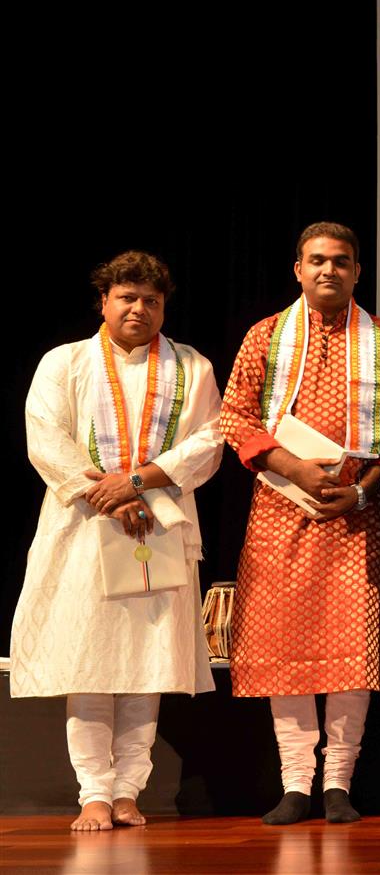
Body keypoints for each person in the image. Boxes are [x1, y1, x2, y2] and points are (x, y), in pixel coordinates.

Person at [11, 251, 222, 831]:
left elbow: (208, 444)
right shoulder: (66, 362)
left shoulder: (191, 366)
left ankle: (129, 790)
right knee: (91, 663)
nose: (139, 308)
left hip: (158, 526)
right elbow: (46, 439)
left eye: (151, 300)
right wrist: (112, 495)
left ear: (163, 306)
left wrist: (139, 483)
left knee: (146, 666)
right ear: (103, 301)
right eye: (127, 297)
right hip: (86, 526)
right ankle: (94, 794)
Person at [220, 222, 380, 825]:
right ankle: (296, 783)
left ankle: (338, 784)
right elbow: (235, 417)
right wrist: (293, 470)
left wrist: (358, 493)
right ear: (297, 269)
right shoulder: (265, 336)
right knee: (286, 646)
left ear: (358, 271)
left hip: (359, 514)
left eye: (342, 261)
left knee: (351, 645)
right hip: (282, 508)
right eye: (317, 261)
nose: (329, 270)